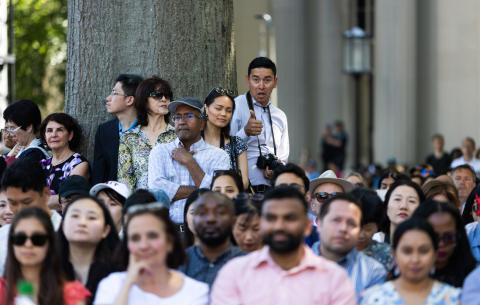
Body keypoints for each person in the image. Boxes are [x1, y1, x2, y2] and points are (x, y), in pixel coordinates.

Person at [211, 186, 356, 305]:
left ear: (307, 226)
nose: (279, 226)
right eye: (271, 218)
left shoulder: (334, 279)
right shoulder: (234, 274)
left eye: (289, 218)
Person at [93, 203, 209, 305]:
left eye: (152, 236)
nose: (143, 245)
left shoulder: (196, 291)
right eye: (135, 238)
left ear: (169, 242)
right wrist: (128, 283)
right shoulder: (111, 285)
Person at [148, 97, 231, 224]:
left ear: (202, 123)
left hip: (203, 229)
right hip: (167, 230)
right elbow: (157, 191)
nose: (181, 121)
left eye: (189, 116)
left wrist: (190, 162)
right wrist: (201, 191)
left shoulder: (219, 156)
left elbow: (218, 195)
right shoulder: (160, 151)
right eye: (177, 117)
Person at [360, 218, 461, 305]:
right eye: (407, 251)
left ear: (435, 254)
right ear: (394, 255)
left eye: (423, 251)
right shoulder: (374, 299)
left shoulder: (454, 299)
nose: (415, 259)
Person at [0, 207, 90, 305]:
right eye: (20, 238)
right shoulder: (2, 289)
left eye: (38, 239)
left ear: (50, 243)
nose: (28, 244)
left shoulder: (72, 293)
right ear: (11, 243)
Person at [230, 57, 289, 192]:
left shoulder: (280, 115)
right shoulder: (236, 106)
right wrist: (245, 132)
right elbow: (225, 149)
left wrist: (275, 168)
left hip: (273, 189)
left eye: (267, 80)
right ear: (248, 80)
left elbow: (283, 155)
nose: (261, 86)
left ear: (275, 82)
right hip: (243, 188)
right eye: (256, 80)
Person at [314, 194, 387, 298]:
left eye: (351, 223)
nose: (343, 228)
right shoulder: (293, 265)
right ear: (319, 223)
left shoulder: (373, 271)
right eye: (336, 220)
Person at [0, 160, 61, 276]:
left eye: (27, 202)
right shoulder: (3, 236)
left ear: (46, 194)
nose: (20, 210)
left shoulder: (66, 234)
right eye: (12, 203)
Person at [58, 196, 121, 305]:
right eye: (75, 216)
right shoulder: (47, 267)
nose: (82, 223)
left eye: (91, 217)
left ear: (105, 230)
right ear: (63, 225)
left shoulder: (119, 272)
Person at [118, 76, 176, 190]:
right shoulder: (129, 138)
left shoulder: (178, 136)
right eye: (157, 95)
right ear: (144, 100)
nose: (164, 99)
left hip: (172, 204)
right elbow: (125, 180)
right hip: (139, 204)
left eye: (167, 95)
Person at [180, 191, 243, 287]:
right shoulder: (179, 262)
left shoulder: (247, 262)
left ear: (233, 220)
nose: (210, 219)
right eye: (202, 213)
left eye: (220, 212)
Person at [92, 74, 143, 184]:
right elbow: (99, 173)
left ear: (129, 100)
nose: (108, 98)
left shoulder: (148, 129)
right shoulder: (104, 131)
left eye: (114, 93)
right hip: (112, 196)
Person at [413, 199, 476, 287]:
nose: (441, 244)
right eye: (433, 237)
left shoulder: (474, 279)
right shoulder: (400, 282)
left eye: (448, 238)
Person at [40, 113, 89, 209]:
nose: (54, 135)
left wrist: (35, 202)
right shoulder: (41, 164)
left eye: (59, 130)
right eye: (49, 131)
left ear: (70, 135)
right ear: (45, 136)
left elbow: (68, 198)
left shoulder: (79, 164)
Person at [203, 87, 249, 189]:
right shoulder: (193, 141)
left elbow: (244, 182)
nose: (223, 114)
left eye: (229, 110)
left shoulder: (237, 143)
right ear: (206, 108)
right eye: (218, 108)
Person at [350, 188, 394, 272]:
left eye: (368, 229)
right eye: (355, 226)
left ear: (378, 226)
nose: (361, 235)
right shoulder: (333, 252)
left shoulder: (387, 254)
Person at [306, 170, 354, 246]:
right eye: (322, 196)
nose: (329, 202)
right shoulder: (303, 235)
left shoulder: (353, 234)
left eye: (336, 196)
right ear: (312, 204)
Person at [374, 180, 425, 244]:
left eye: (411, 201)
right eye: (397, 199)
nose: (403, 206)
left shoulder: (426, 245)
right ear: (387, 207)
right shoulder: (373, 241)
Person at [2, 99, 49, 165]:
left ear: (28, 128)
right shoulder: (22, 150)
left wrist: (9, 159)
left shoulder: (33, 155)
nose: (10, 134)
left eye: (12, 128)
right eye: (8, 129)